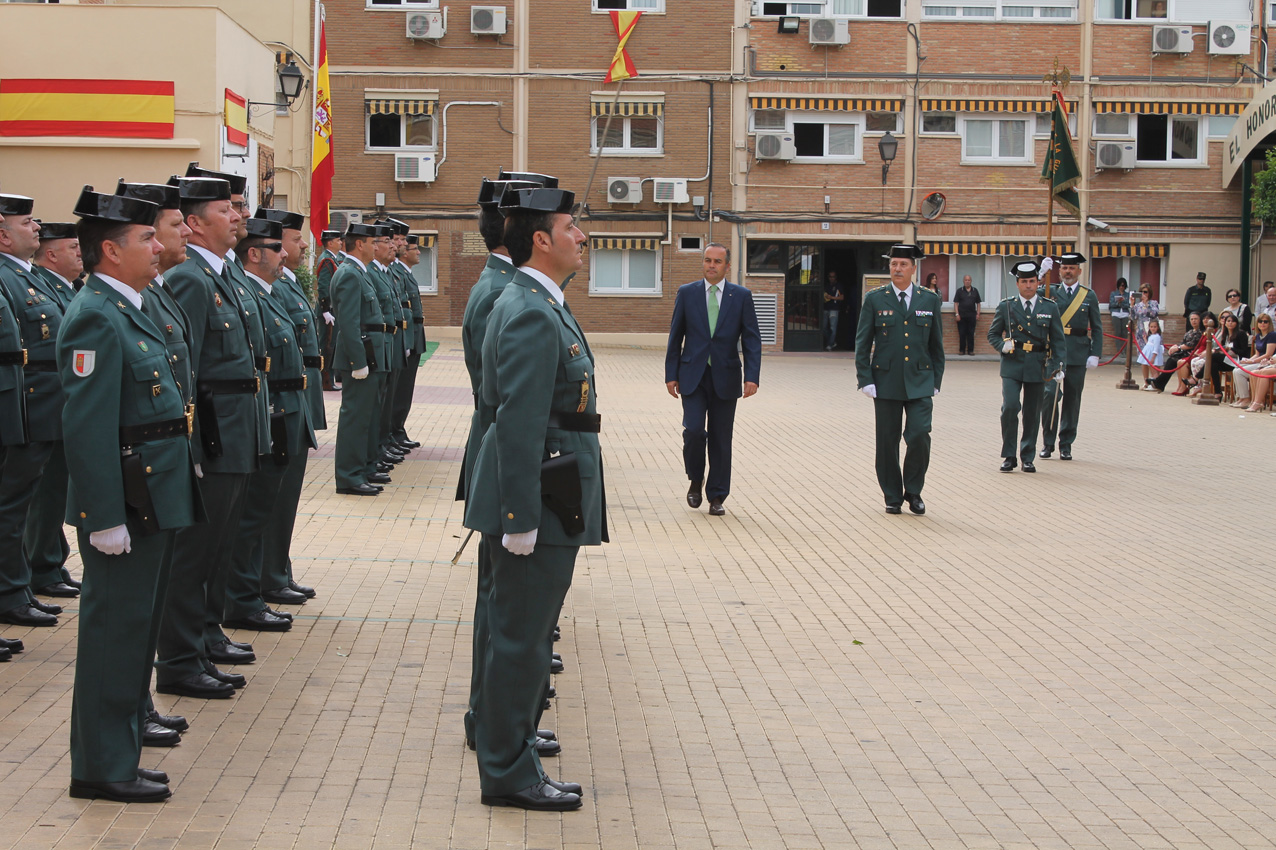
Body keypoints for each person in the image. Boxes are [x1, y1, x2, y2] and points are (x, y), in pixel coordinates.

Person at [463, 185, 604, 811]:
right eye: (572, 228)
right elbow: (517, 420)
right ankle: (508, 772)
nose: (583, 238)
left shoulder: (538, 300)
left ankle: (511, 757)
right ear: (541, 240)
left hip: (549, 489)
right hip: (538, 497)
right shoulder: (527, 308)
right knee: (520, 639)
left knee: (521, 635)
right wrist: (520, 517)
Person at [61, 185, 202, 803]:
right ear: (110, 253)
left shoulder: (133, 304)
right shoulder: (95, 312)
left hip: (156, 490)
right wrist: (101, 516)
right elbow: (86, 425)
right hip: (126, 500)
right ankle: (100, 766)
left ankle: (119, 753)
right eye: (146, 237)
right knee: (112, 635)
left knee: (134, 633)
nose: (160, 244)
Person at [457, 174, 557, 759]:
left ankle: (495, 717)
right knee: (503, 612)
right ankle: (493, 721)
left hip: (503, 456)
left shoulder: (507, 287)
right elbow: (509, 403)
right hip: (507, 460)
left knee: (505, 609)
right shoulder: (509, 296)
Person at [154, 175, 265, 700]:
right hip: (214, 433)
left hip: (237, 428)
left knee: (218, 545)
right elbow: (185, 371)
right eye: (227, 210)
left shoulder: (223, 275)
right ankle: (180, 656)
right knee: (195, 552)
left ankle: (204, 633)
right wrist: (193, 446)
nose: (239, 217)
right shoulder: (191, 280)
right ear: (195, 223)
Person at [0, 193, 65, 629]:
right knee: (10, 509)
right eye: (26, 222)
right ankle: (10, 592)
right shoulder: (7, 276)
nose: (37, 228)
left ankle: (17, 588)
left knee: (19, 509)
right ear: (2, 234)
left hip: (40, 405)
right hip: (22, 405)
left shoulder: (29, 276)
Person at [254, 207, 322, 604]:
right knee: (271, 501)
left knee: (284, 499)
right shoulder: (270, 286)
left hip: (294, 400)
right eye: (296, 240)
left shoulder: (287, 282)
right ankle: (268, 575)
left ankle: (278, 570)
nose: (299, 247)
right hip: (278, 404)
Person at [664, 243, 762, 517]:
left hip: (726, 376)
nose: (711, 265)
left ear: (727, 266)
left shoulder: (740, 296)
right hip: (692, 375)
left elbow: (752, 338)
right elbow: (676, 336)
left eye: (717, 261)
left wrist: (752, 376)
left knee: (721, 438)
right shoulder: (687, 293)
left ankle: (717, 495)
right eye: (707, 260)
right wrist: (670, 374)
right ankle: (696, 478)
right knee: (694, 431)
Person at [854, 244, 945, 513]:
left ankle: (914, 491)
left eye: (903, 265)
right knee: (887, 441)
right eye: (894, 264)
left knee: (919, 435)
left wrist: (936, 380)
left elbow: (936, 346)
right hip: (885, 381)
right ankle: (892, 495)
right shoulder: (875, 298)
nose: (897, 269)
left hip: (920, 381)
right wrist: (865, 378)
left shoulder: (929, 299)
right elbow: (862, 342)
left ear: (914, 269)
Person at [27, 221, 82, 599]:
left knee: (58, 489)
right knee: (45, 494)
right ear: (51, 254)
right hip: (43, 403)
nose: (80, 252)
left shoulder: (67, 288)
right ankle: (40, 566)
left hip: (62, 403)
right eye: (72, 247)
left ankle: (51, 560)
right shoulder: (38, 287)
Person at [331, 222, 391, 496]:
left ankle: (364, 468)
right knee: (355, 418)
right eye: (372, 242)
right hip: (361, 356)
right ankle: (349, 476)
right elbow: (349, 323)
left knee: (367, 416)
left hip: (371, 354)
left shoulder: (360, 272)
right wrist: (358, 362)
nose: (376, 246)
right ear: (359, 244)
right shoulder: (349, 274)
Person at [988, 261, 1064, 473]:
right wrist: (1002, 346)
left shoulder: (1049, 307)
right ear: (1017, 283)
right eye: (1024, 282)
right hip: (1012, 364)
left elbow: (1058, 340)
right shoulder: (1007, 306)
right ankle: (1009, 455)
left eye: (1032, 281)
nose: (1029, 285)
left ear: (1037, 281)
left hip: (1037, 365)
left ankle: (1027, 456)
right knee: (1010, 407)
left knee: (1032, 412)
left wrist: (1058, 367)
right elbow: (993, 334)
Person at [1040, 252, 1102, 462]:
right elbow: (1030, 297)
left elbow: (1097, 327)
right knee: (1050, 396)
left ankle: (1066, 444)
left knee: (1072, 400)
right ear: (1059, 271)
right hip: (1053, 352)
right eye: (1064, 268)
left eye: (1072, 268)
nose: (1068, 271)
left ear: (1079, 271)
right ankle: (1048, 443)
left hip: (1077, 351)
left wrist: (1095, 354)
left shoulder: (1088, 295)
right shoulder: (1049, 291)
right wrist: (1041, 275)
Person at [1150, 311, 1203, 393]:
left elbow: (1191, 345)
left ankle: (1159, 382)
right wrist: (1175, 347)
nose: (1194, 321)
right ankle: (1159, 383)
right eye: (1192, 319)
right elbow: (1183, 342)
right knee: (1171, 359)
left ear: (1200, 320)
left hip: (1192, 353)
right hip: (1184, 352)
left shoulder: (1200, 332)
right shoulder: (1190, 332)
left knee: (1174, 360)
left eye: (1196, 319)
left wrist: (1178, 348)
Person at [315, 230, 341, 390]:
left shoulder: (332, 259)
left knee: (331, 345)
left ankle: (329, 378)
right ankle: (326, 380)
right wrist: (325, 309)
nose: (341, 243)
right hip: (328, 310)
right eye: (338, 240)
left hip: (331, 309)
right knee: (327, 346)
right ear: (330, 242)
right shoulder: (326, 260)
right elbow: (324, 286)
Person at [1231, 314, 1276, 407]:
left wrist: (1252, 362)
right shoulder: (1258, 336)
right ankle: (1241, 398)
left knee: (1240, 372)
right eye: (1260, 321)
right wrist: (1248, 360)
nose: (1262, 323)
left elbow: (1268, 354)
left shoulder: (1272, 335)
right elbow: (1257, 354)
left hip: (1267, 362)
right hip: (1259, 360)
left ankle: (1247, 399)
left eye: (1265, 321)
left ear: (1269, 323)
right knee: (1236, 369)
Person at [952, 274, 981, 355]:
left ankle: (970, 351)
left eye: (969, 280)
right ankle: (962, 350)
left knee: (971, 334)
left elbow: (978, 303)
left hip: (972, 316)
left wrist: (978, 313)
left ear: (971, 281)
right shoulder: (959, 291)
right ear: (963, 281)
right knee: (962, 333)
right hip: (962, 316)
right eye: (966, 280)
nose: (967, 281)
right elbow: (956, 303)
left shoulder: (975, 291)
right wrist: (957, 314)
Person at [1131, 284, 1160, 353]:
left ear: (1149, 293)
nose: (1143, 294)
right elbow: (1132, 317)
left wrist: (1147, 304)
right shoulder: (1138, 305)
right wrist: (1132, 305)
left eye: (1145, 292)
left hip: (1151, 332)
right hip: (1140, 332)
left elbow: (1154, 314)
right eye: (1141, 292)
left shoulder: (1154, 303)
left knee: (1151, 353)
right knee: (1142, 354)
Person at [822, 270, 844, 351]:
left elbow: (841, 297)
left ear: (836, 277)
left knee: (832, 328)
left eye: (833, 277)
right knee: (823, 328)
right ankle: (832, 341)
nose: (831, 278)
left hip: (834, 309)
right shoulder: (826, 286)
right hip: (825, 308)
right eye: (830, 277)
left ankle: (830, 345)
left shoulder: (838, 286)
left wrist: (831, 297)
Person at [1138, 318, 1164, 388]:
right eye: (1151, 327)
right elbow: (1149, 345)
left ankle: (1155, 384)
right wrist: (1145, 340)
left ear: (1158, 327)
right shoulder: (1151, 336)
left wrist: (1153, 357)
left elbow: (1155, 348)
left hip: (1152, 355)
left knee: (1154, 370)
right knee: (1144, 365)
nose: (1153, 328)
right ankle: (1147, 382)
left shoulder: (1157, 337)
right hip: (1148, 354)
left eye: (1154, 327)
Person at [1109, 278, 1130, 343]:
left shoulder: (1127, 295)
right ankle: (1119, 351)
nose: (1121, 287)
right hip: (1116, 313)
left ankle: (1124, 351)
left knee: (1125, 333)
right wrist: (1118, 303)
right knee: (1117, 332)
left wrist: (1121, 303)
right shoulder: (1113, 294)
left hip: (1125, 314)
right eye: (1120, 285)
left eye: (1123, 285)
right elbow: (1111, 304)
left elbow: (1129, 305)